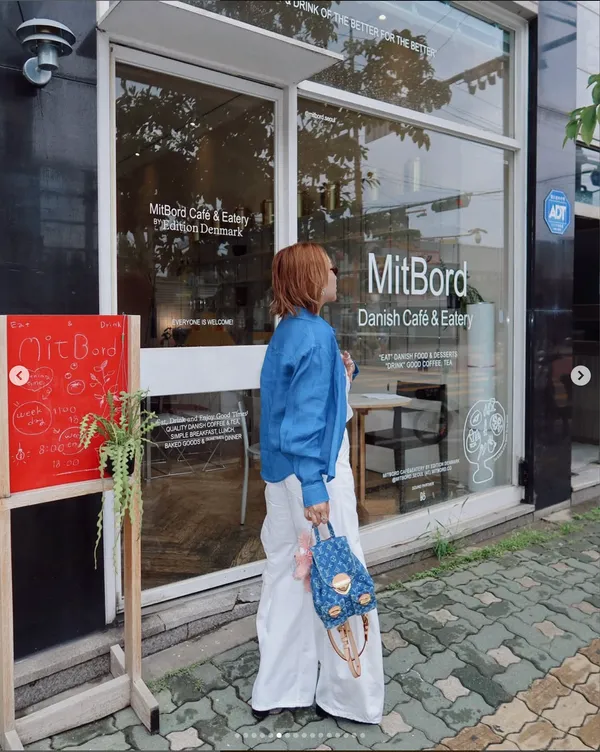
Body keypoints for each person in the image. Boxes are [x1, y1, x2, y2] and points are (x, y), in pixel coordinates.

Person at [251, 242, 385, 724]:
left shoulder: (288, 332)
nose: (335, 274)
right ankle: (350, 695)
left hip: (282, 475)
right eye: (330, 267)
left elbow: (293, 408)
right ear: (311, 277)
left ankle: (278, 688)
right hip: (317, 476)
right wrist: (314, 487)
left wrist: (341, 374)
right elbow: (307, 421)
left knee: (289, 575)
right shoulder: (315, 334)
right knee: (341, 575)